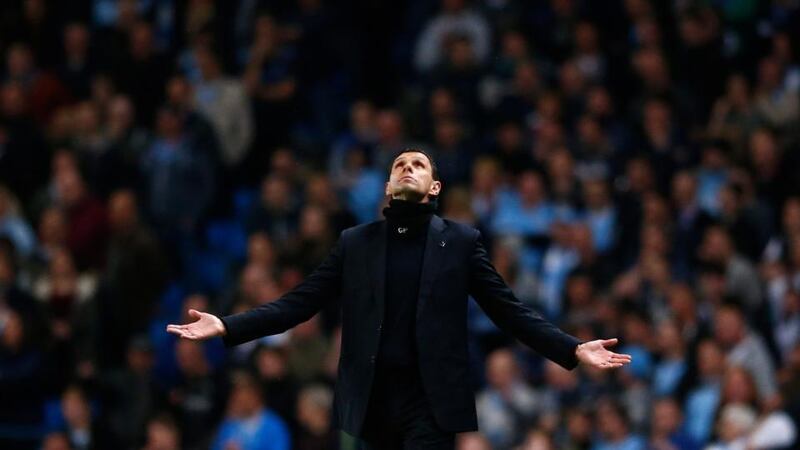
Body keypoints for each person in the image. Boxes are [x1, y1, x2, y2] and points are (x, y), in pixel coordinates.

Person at [167, 149, 632, 449]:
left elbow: (509, 312)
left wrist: (571, 348)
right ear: (388, 187)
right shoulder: (356, 242)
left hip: (431, 400)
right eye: (398, 166)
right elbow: (298, 303)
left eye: (418, 165)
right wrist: (228, 325)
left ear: (434, 189)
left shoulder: (463, 241)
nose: (407, 168)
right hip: (373, 400)